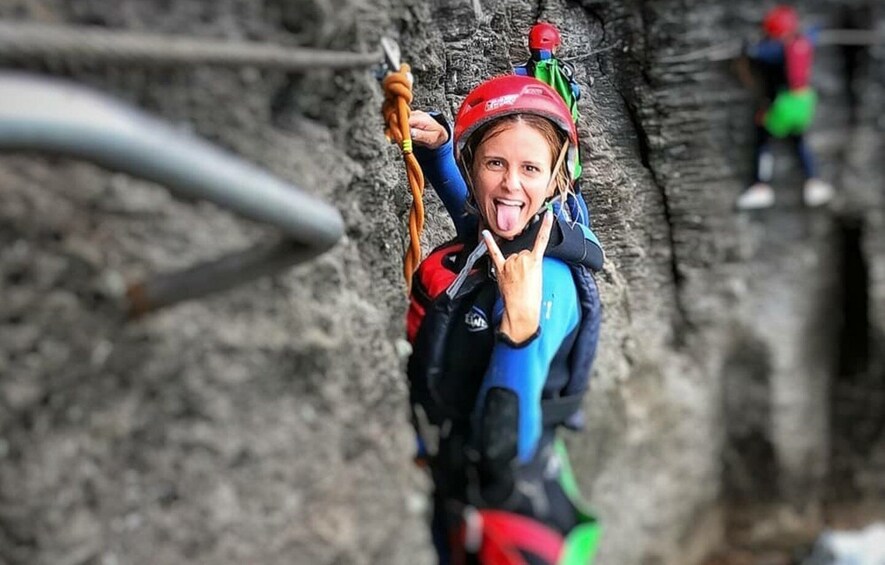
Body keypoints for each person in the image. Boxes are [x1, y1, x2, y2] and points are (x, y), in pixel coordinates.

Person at [405, 74, 604, 564]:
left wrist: (520, 328)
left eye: (530, 168)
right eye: (495, 163)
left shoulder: (545, 284)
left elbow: (506, 447)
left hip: (507, 504)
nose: (511, 183)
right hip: (461, 477)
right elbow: (484, 223)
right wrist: (438, 150)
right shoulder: (510, 235)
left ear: (556, 177)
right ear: (474, 169)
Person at [736, 4, 835, 210]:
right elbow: (815, 30)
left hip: (781, 105)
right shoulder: (805, 40)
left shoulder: (774, 49)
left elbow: (754, 52)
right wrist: (816, 27)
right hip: (803, 102)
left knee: (763, 141)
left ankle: (761, 187)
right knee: (799, 140)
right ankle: (814, 183)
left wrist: (747, 46)